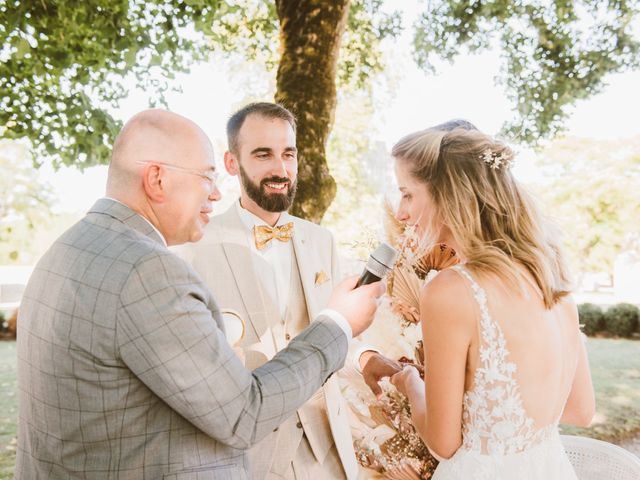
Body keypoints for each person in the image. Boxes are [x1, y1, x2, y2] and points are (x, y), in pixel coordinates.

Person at [15, 109, 384, 480]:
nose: (216, 191)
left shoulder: (68, 248)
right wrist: (338, 323)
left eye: (288, 153)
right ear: (157, 179)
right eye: (206, 177)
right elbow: (241, 413)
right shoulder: (150, 270)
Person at [177, 102, 382, 479]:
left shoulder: (321, 240)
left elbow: (335, 331)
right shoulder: (194, 248)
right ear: (231, 162)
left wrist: (368, 361)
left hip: (329, 451)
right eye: (263, 154)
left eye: (288, 154)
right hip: (252, 457)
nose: (280, 169)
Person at [380, 124, 595, 478]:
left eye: (407, 194)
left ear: (446, 195)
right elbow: (581, 410)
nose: (401, 213)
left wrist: (409, 382)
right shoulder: (552, 278)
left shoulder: (452, 291)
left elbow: (443, 444)